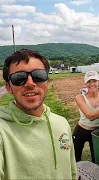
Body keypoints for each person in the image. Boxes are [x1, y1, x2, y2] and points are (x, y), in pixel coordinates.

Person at [0, 49, 77, 179]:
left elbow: (72, 172)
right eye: (19, 77)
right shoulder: (2, 131)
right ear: (8, 87)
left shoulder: (62, 124)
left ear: (47, 82)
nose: (30, 83)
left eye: (38, 76)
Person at [73, 70, 99, 163]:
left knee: (96, 160)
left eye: (94, 81)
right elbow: (90, 116)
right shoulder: (80, 97)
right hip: (81, 131)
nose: (92, 84)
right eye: (89, 81)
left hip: (96, 132)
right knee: (75, 158)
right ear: (85, 84)